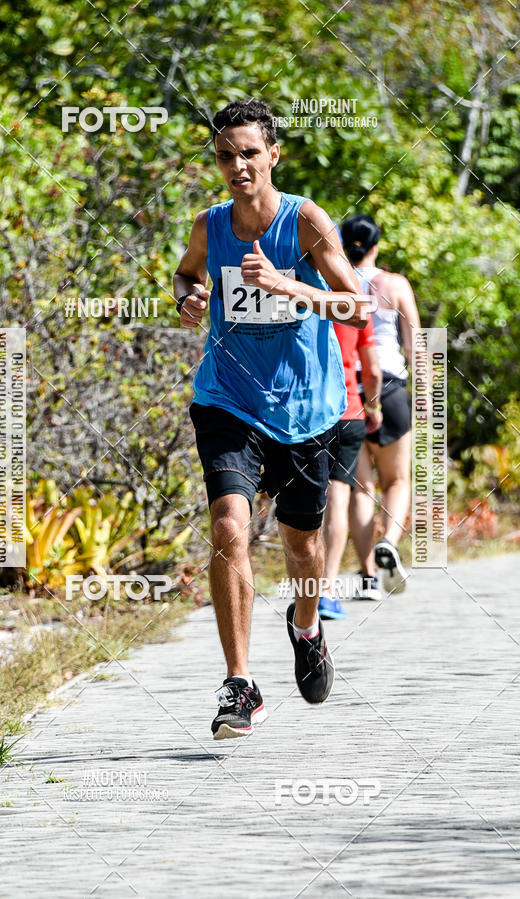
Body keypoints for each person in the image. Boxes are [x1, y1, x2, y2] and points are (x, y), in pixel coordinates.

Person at [173, 99, 372, 739]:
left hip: (305, 406)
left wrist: (293, 288)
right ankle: (240, 685)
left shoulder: (303, 221)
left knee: (301, 545)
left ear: (273, 155)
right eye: (226, 155)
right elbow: (184, 275)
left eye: (249, 153)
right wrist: (190, 297)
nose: (238, 166)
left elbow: (357, 308)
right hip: (227, 397)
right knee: (230, 523)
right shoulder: (211, 225)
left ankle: (306, 625)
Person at [341, 213, 421, 596]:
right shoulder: (395, 284)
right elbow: (415, 346)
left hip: (346, 389)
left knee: (360, 487)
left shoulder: (333, 282)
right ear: (376, 245)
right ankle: (388, 540)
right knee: (398, 479)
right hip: (389, 388)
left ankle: (368, 576)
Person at [319, 315, 382, 618]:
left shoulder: (297, 290)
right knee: (338, 495)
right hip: (348, 410)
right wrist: (373, 406)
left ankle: (306, 585)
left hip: (303, 411)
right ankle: (326, 590)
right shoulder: (355, 303)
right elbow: (372, 371)